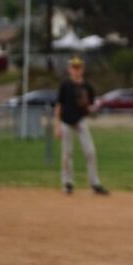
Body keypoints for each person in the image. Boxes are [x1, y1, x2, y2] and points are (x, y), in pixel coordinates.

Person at [54, 56, 109, 195]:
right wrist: (57, 125)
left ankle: (95, 183)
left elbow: (91, 106)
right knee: (67, 153)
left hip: (80, 121)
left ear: (82, 69)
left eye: (78, 67)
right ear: (69, 69)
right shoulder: (65, 85)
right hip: (66, 121)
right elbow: (59, 105)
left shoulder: (87, 87)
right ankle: (67, 183)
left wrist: (92, 110)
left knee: (90, 152)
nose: (76, 70)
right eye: (73, 67)